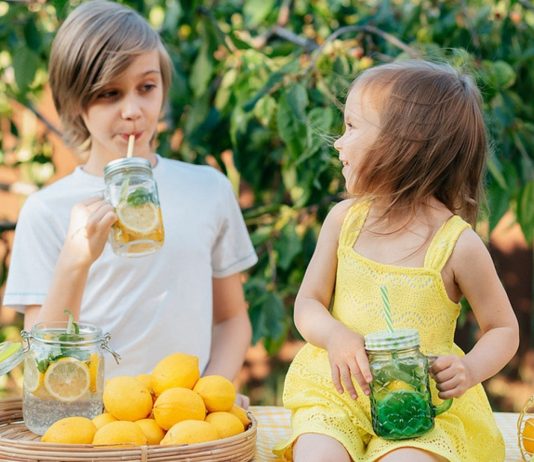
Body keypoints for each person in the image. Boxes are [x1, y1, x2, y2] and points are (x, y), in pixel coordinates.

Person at [2, 0, 257, 387]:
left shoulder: (209, 190)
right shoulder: (46, 210)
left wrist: (211, 392)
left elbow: (232, 319)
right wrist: (76, 259)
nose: (133, 110)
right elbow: (41, 358)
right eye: (109, 93)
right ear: (75, 101)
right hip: (94, 427)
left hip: (181, 423)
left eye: (146, 87)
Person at [274, 61, 519, 461]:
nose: (338, 142)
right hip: (340, 393)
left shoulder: (457, 245)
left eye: (351, 127)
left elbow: (503, 328)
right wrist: (335, 335)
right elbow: (308, 304)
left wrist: (470, 369)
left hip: (423, 406)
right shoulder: (343, 221)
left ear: (404, 144)